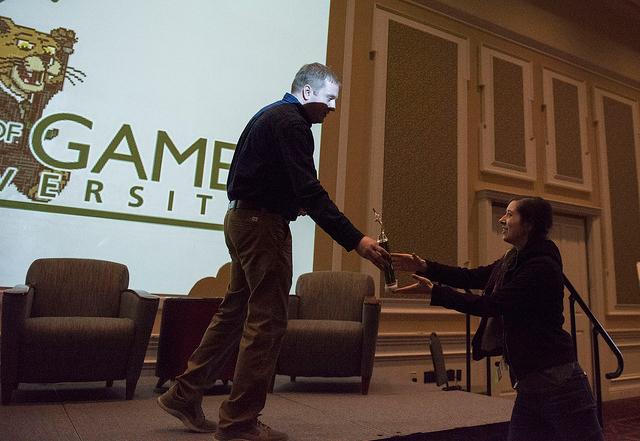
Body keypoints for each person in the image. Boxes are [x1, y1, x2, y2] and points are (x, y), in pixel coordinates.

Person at [158, 63, 389, 441]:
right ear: (307, 92)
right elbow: (310, 191)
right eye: (329, 99)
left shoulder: (269, 115)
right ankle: (239, 422)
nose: (332, 108)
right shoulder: (294, 124)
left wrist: (288, 201)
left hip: (240, 221)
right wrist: (357, 240)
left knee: (234, 313)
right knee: (267, 323)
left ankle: (184, 394)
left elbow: (261, 178)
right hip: (263, 228)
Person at [391, 197, 603, 441]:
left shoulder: (540, 267)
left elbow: (491, 305)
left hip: (559, 382)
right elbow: (471, 277)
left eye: (510, 214)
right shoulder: (512, 260)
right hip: (530, 382)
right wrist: (425, 267)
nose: (502, 219)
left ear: (529, 224)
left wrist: (435, 293)